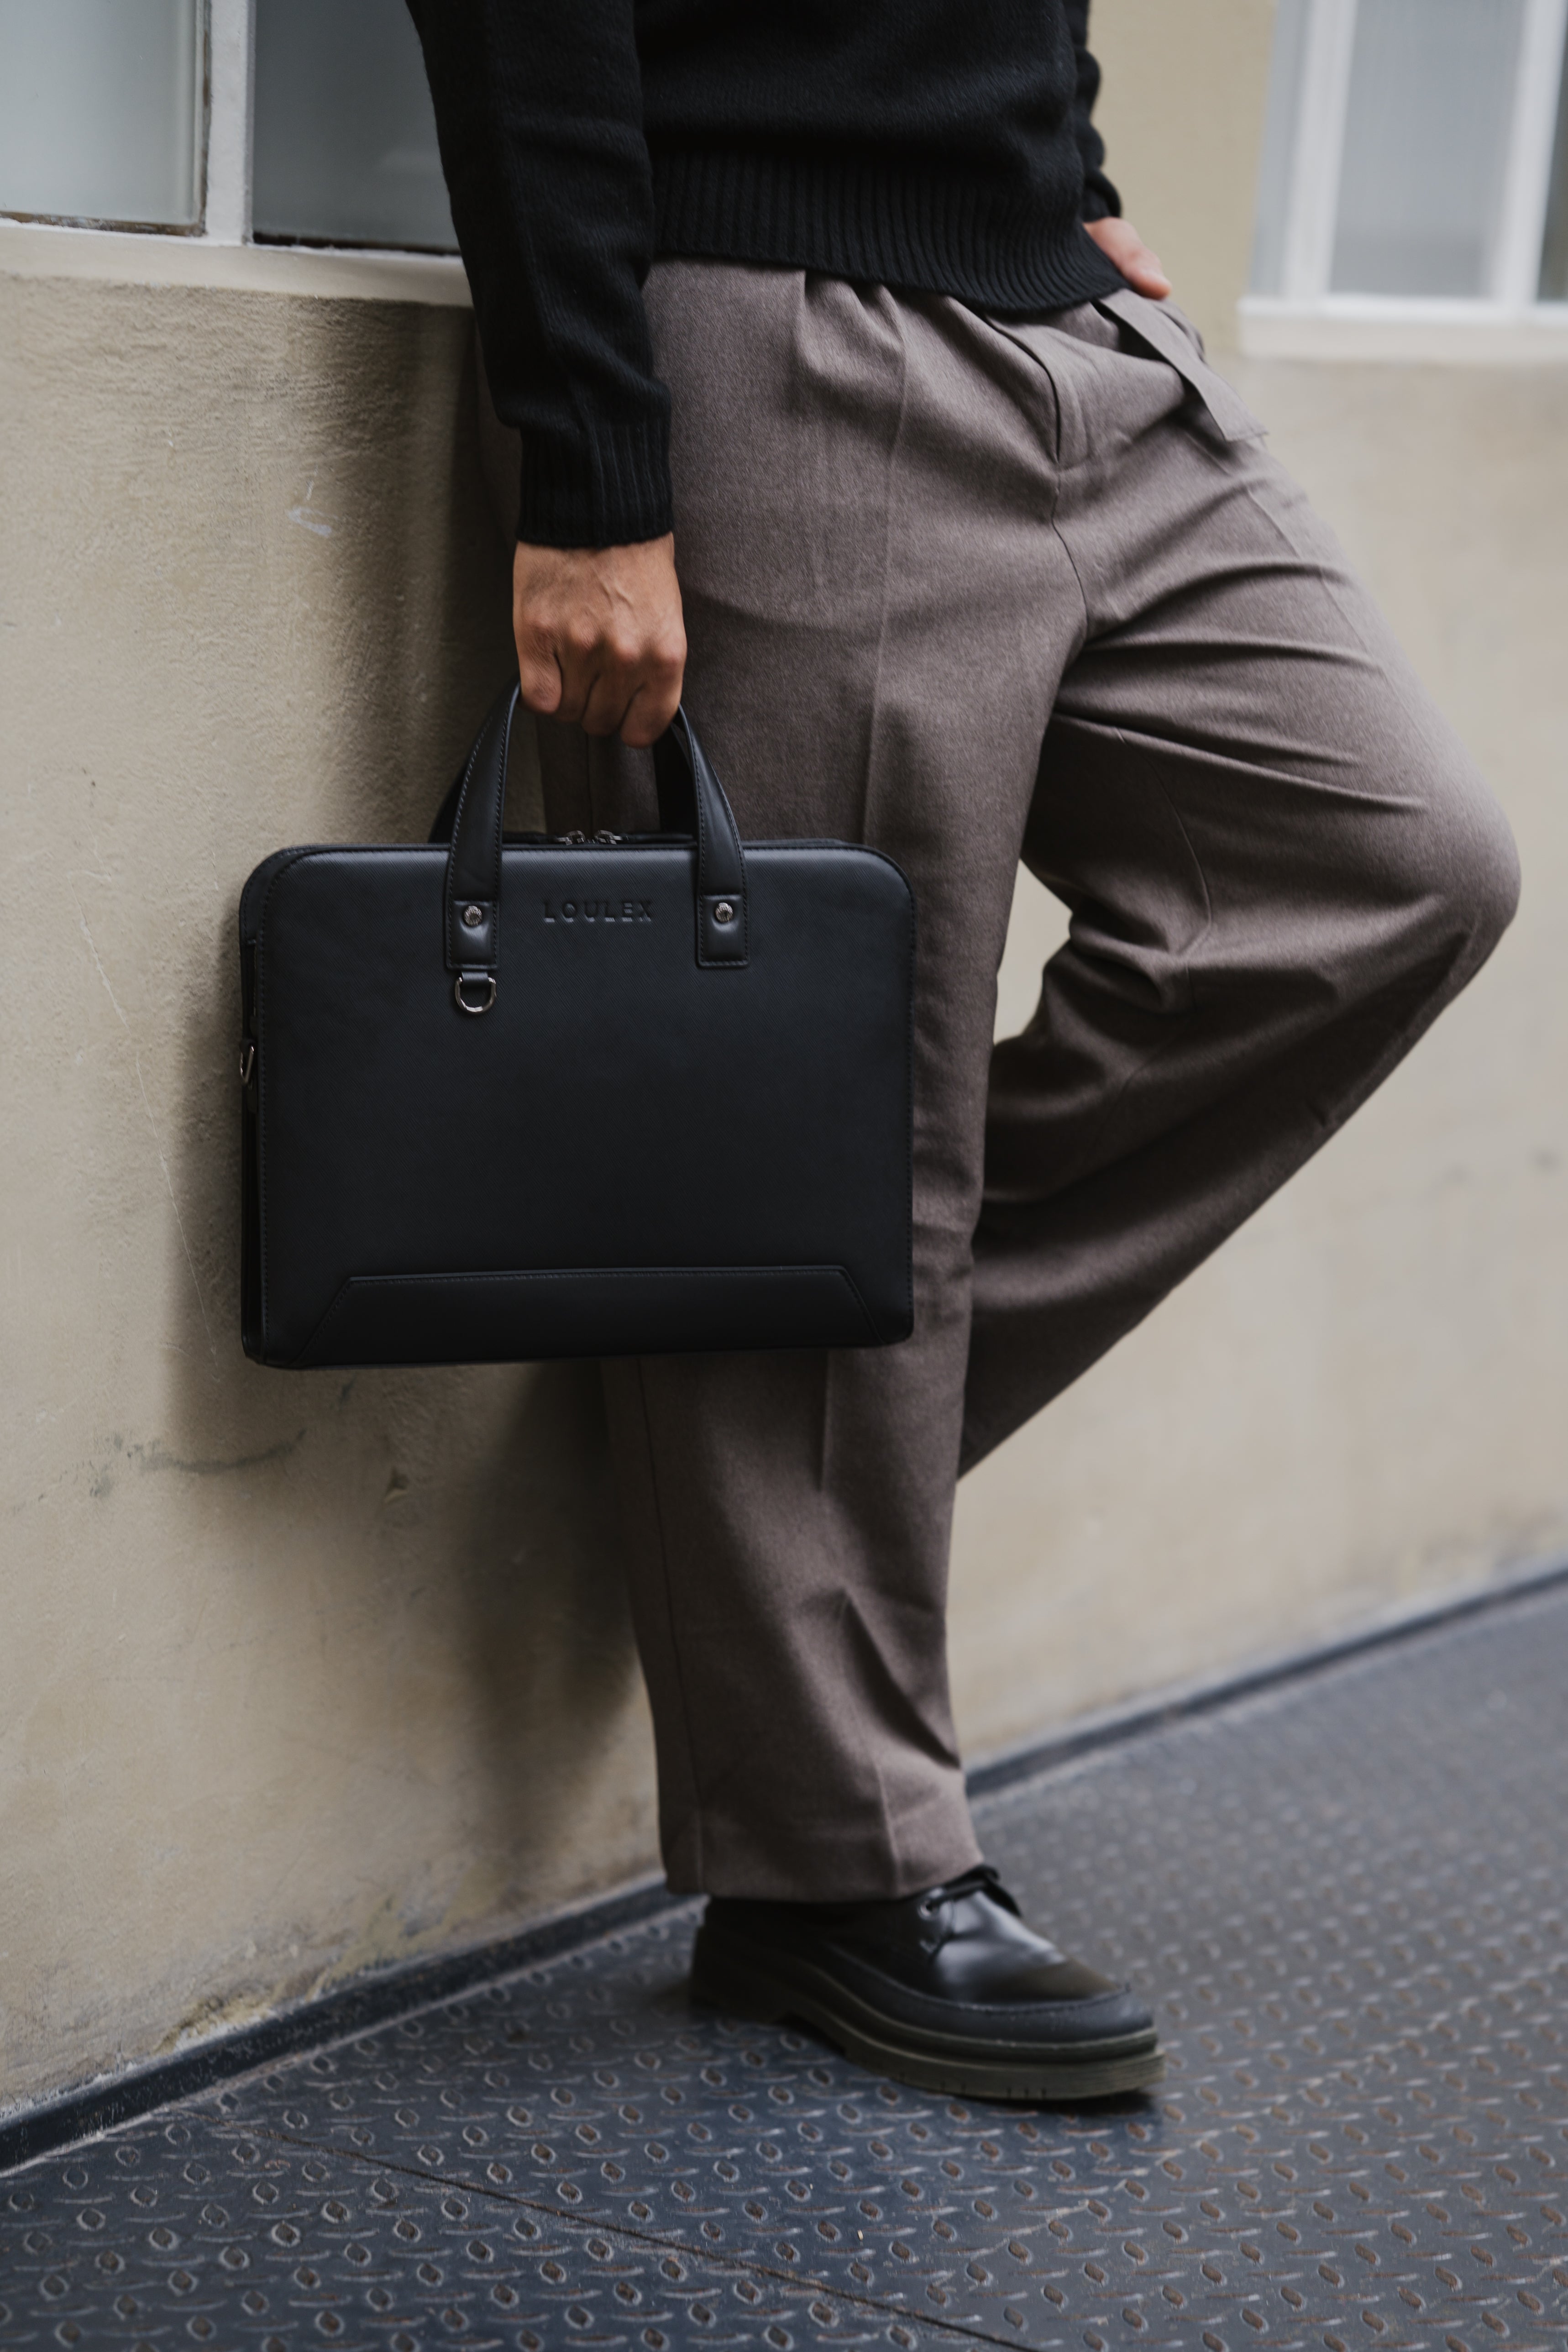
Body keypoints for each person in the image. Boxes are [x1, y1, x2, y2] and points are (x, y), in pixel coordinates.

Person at [407, 0, 1519, 2102]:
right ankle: (830, 1873)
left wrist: (1068, 165)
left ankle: (743, 1429)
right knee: (828, 1103)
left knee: (1398, 866)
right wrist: (586, 457)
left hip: (1063, 320)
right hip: (767, 335)